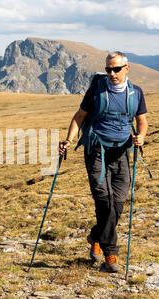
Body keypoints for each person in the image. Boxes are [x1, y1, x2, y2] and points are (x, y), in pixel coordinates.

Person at [59, 51, 148, 273]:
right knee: (104, 201)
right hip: (96, 150)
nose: (112, 73)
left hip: (121, 153)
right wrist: (68, 140)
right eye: (108, 69)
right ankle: (111, 253)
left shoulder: (136, 92)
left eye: (116, 69)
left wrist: (141, 135)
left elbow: (141, 120)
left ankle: (96, 236)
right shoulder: (96, 91)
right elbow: (79, 117)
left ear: (127, 69)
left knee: (117, 202)